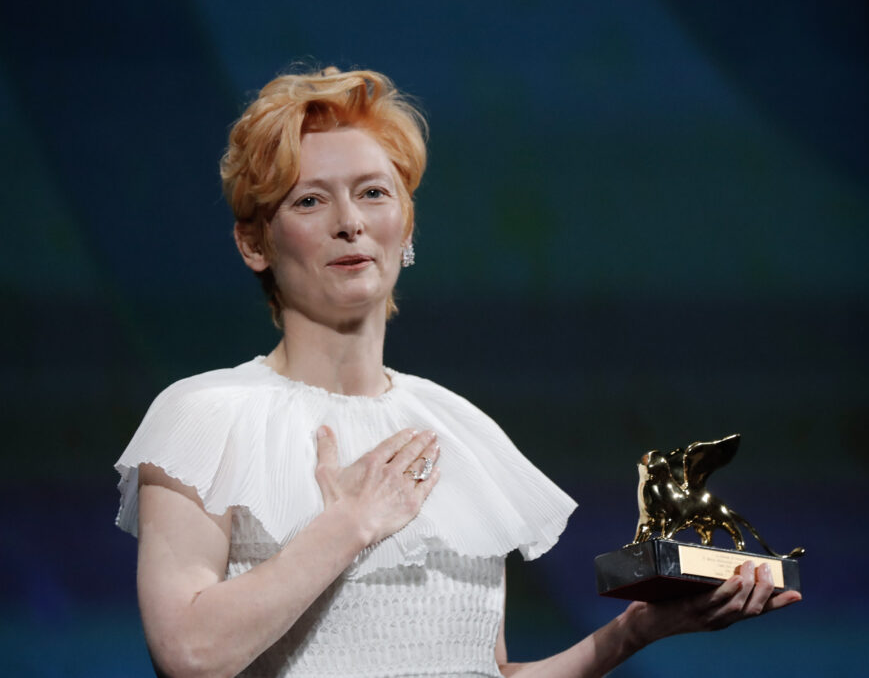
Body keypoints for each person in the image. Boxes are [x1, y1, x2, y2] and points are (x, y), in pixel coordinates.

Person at [115, 66, 800, 678]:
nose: (350, 222)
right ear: (253, 242)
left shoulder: (456, 427)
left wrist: (633, 631)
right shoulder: (207, 414)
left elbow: (483, 671)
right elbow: (190, 654)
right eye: (309, 200)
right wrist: (346, 524)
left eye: (373, 193)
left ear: (406, 227)